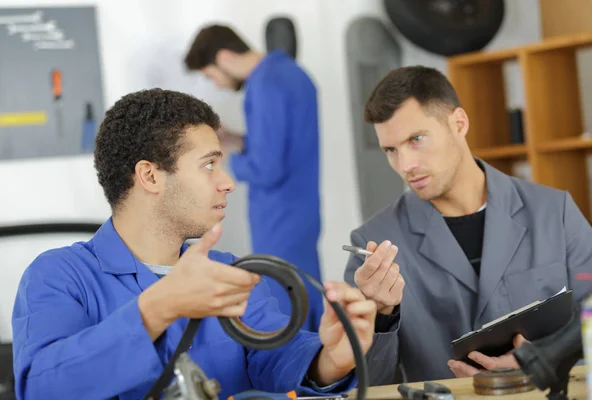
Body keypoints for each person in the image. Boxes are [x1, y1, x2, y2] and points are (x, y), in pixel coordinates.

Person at [11, 89, 377, 399]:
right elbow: (44, 387)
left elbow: (273, 356)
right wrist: (160, 307)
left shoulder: (228, 272)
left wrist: (332, 360)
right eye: (209, 165)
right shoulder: (60, 276)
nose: (227, 182)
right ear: (150, 176)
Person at [343, 65, 592, 384]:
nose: (405, 165)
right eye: (391, 150)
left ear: (459, 123)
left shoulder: (554, 212)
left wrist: (544, 359)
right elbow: (366, 382)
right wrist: (381, 314)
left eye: (417, 139)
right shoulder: (373, 244)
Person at [183, 25, 324, 332]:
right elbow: (282, 146)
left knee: (286, 309)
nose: (217, 84)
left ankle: (298, 378)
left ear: (223, 57)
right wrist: (237, 140)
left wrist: (233, 160)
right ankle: (323, 374)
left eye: (210, 75)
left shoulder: (263, 84)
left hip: (278, 216)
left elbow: (267, 168)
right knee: (307, 297)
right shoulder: (291, 73)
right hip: (301, 211)